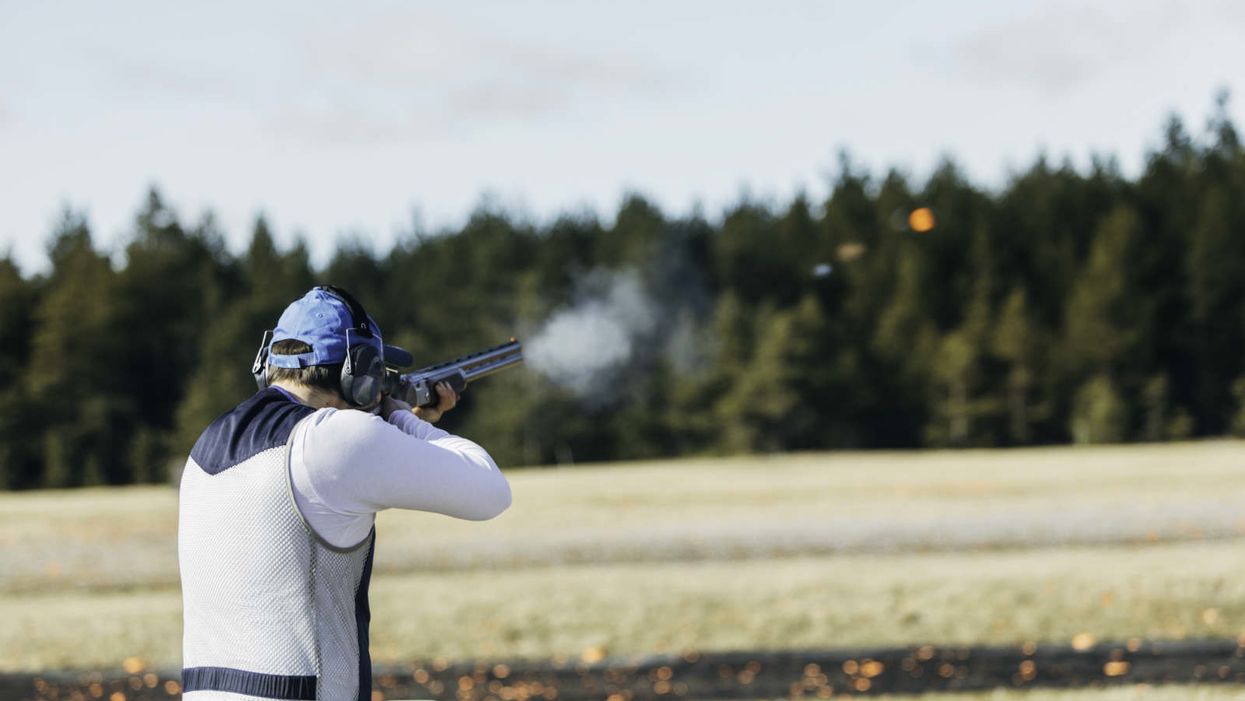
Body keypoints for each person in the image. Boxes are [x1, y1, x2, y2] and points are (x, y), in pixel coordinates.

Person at [178, 285, 511, 701]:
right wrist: (403, 420)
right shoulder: (333, 437)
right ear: (362, 372)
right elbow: (489, 489)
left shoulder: (207, 444)